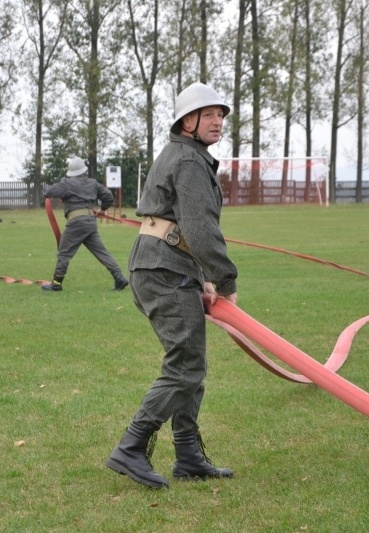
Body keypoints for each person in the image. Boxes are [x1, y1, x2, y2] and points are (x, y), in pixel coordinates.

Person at [106, 82, 238, 489]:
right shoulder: (188, 161)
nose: (217, 121)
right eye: (209, 114)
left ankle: (188, 456)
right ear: (187, 121)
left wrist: (201, 277)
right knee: (185, 366)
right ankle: (131, 447)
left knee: (190, 363)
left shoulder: (187, 156)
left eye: (220, 114)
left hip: (167, 267)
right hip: (165, 270)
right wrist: (225, 279)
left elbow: (185, 228)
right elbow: (199, 229)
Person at [41, 157, 129, 292]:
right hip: (90, 222)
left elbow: (48, 192)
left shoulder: (67, 184)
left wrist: (51, 188)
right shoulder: (93, 183)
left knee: (64, 253)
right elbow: (108, 196)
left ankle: (56, 283)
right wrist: (103, 209)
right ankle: (119, 277)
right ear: (84, 171)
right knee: (101, 252)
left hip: (76, 223)